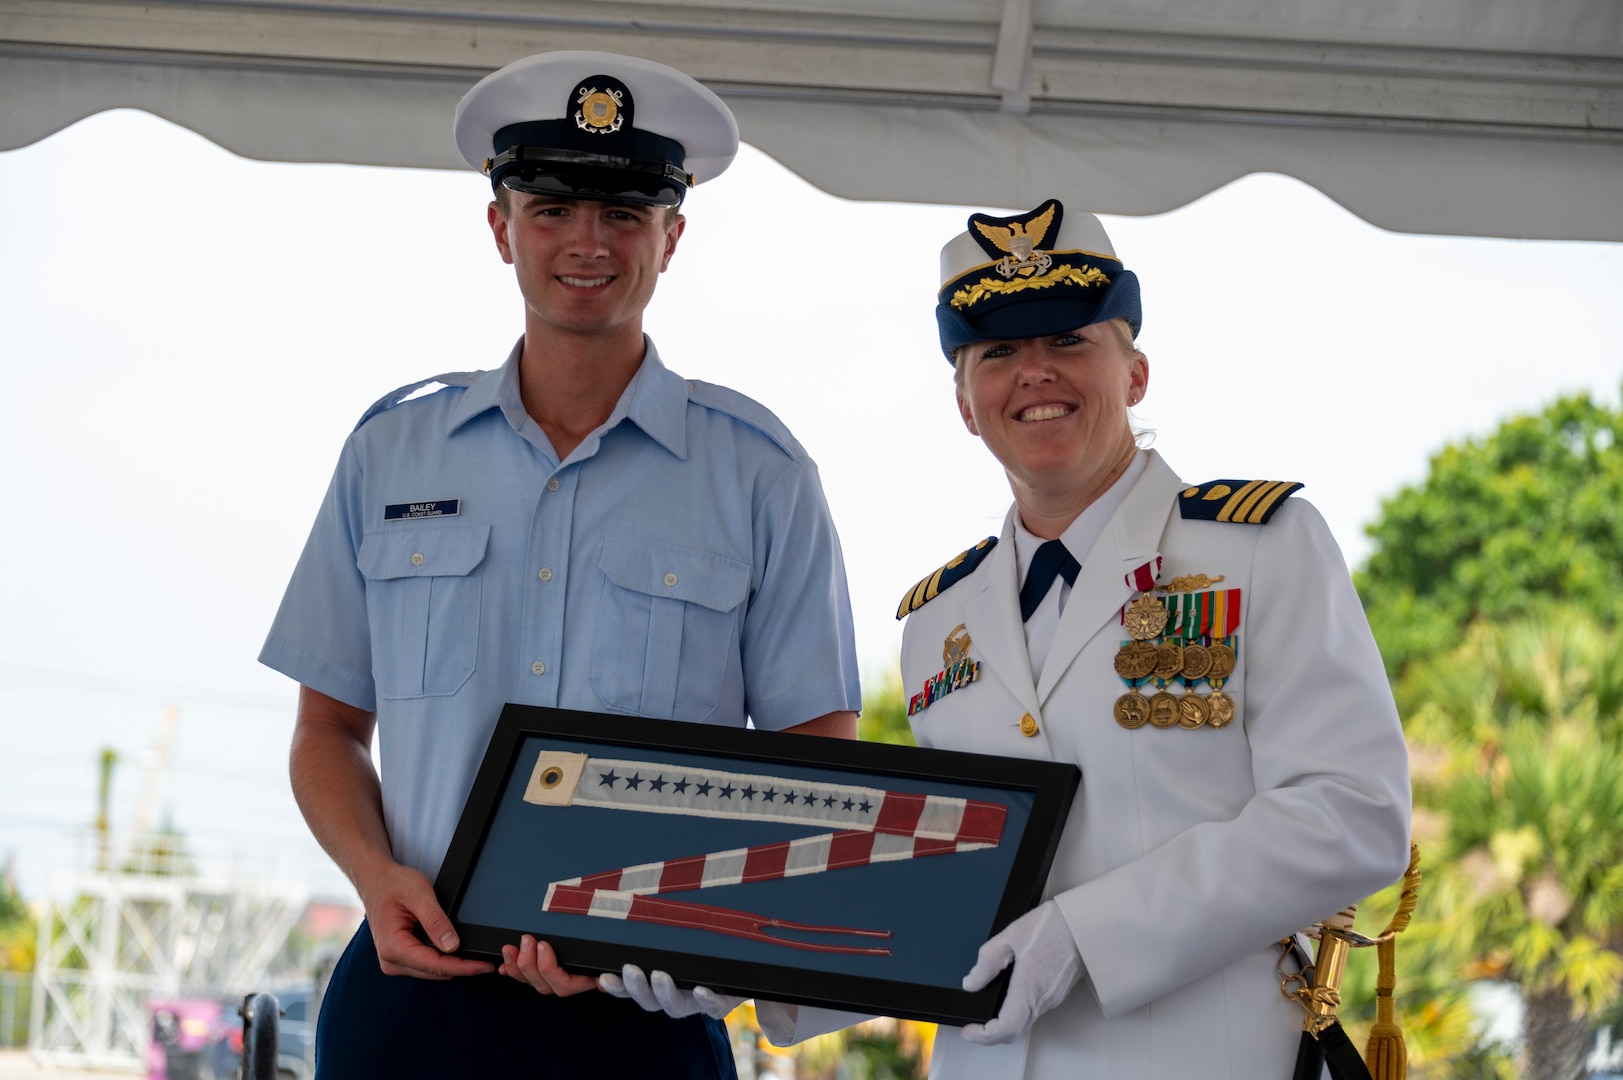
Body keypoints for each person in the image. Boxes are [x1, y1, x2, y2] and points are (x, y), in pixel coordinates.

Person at [258, 50, 861, 1078]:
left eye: (626, 213)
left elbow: (820, 756)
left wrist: (692, 929)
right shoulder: (392, 453)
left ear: (672, 237)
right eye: (552, 208)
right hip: (415, 994)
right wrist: (372, 875)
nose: (589, 242)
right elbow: (326, 731)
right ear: (500, 229)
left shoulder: (761, 474)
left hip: (646, 1012)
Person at [882, 199, 1412, 1077]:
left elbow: (1349, 813)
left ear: (1134, 372)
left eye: (1069, 341)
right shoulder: (938, 621)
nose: (1034, 374)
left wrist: (1088, 937)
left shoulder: (1258, 549)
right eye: (999, 353)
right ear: (965, 404)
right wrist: (725, 962)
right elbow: (940, 886)